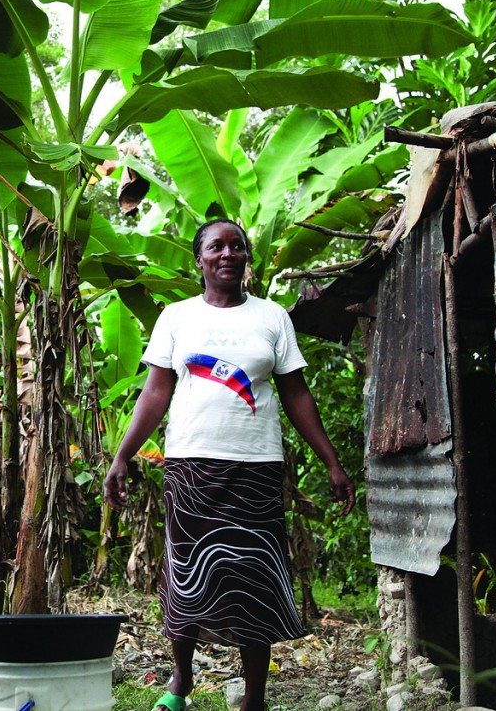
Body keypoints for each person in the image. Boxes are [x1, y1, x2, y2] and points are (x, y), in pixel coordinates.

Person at [104, 218, 355, 711]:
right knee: (186, 573)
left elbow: (296, 394)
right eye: (216, 246)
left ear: (247, 258)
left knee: (254, 574)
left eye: (236, 246)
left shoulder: (271, 318)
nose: (227, 254)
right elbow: (155, 393)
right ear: (198, 259)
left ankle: (254, 699)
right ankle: (180, 681)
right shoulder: (177, 317)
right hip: (191, 467)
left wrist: (332, 462)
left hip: (256, 467)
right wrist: (122, 457)